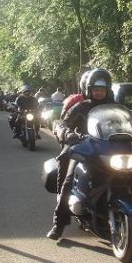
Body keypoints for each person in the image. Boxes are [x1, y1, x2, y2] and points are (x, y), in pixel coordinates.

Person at [46, 68, 115, 240]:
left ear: (108, 90)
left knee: (130, 175)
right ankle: (59, 223)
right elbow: (62, 124)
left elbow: (129, 122)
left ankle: (129, 218)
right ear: (89, 90)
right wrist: (67, 134)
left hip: (109, 150)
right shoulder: (81, 106)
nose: (99, 92)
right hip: (85, 148)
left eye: (102, 89)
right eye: (96, 89)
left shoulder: (115, 107)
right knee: (68, 180)